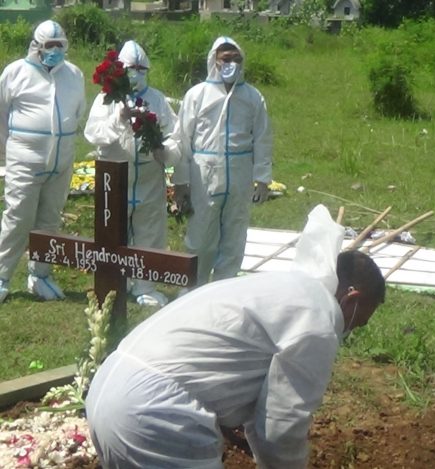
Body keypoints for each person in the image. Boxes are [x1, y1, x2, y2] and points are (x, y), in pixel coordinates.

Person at [85, 205, 386, 468]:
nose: (349, 331)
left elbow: (261, 417)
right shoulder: (319, 316)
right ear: (351, 298)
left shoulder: (284, 288)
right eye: (358, 322)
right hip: (155, 411)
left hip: (109, 388)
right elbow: (282, 425)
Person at [84, 40, 181, 307]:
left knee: (149, 230)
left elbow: (175, 135)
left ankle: (145, 285)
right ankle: (116, 280)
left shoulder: (158, 99)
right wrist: (119, 119)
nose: (135, 72)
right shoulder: (107, 99)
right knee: (115, 231)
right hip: (117, 176)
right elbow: (93, 134)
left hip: (149, 177)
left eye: (140, 67)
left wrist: (165, 150)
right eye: (130, 68)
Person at [170, 36, 273, 288]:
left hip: (239, 175)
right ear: (214, 60)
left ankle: (224, 291)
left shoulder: (252, 97)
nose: (232, 64)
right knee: (201, 236)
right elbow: (182, 140)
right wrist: (181, 182)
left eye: (236, 59)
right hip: (204, 174)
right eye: (226, 59)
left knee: (235, 236)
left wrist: (262, 178)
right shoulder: (197, 95)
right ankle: (194, 289)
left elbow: (262, 138)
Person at [0, 20, 85, 303]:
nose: (55, 51)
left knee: (50, 219)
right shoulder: (15, 73)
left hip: (61, 161)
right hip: (25, 159)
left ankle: (40, 275)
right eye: (50, 46)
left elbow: (78, 113)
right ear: (37, 46)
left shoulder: (73, 75)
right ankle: (2, 276)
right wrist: (8, 152)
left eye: (60, 46)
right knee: (18, 218)